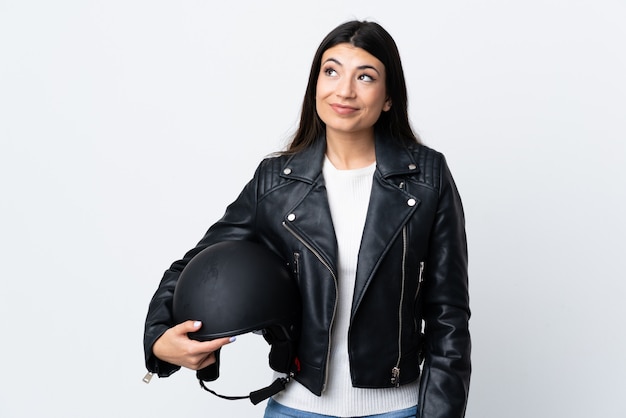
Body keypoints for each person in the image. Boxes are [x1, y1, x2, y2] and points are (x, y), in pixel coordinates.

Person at [143, 20, 471, 418]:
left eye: (365, 76)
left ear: (388, 98)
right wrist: (159, 337)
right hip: (296, 409)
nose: (344, 90)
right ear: (315, 84)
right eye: (331, 71)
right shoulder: (276, 181)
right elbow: (196, 263)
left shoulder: (428, 178)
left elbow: (448, 317)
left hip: (398, 409)